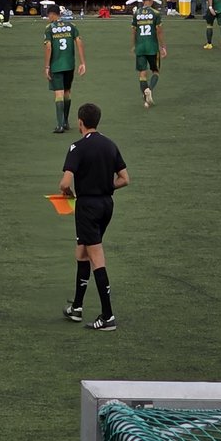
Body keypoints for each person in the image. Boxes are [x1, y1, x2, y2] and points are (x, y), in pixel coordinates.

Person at [59, 102, 129, 331]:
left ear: (80, 122)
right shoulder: (110, 145)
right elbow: (124, 179)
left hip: (87, 207)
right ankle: (77, 307)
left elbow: (65, 182)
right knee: (82, 251)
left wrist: (67, 193)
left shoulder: (77, 148)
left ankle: (107, 316)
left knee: (96, 256)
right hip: (106, 204)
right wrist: (104, 186)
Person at [43, 5, 86, 134]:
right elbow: (79, 43)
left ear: (52, 14)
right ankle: (66, 121)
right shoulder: (72, 26)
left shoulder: (49, 29)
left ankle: (60, 124)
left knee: (58, 94)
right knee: (67, 92)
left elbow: (49, 48)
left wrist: (46, 66)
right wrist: (82, 62)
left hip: (56, 65)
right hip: (69, 65)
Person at [132, 0, 167, 108]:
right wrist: (163, 46)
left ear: (143, 1)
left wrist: (133, 45)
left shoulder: (136, 13)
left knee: (142, 74)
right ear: (151, 1)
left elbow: (134, 30)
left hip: (140, 47)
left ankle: (146, 100)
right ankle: (150, 89)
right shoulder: (155, 13)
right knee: (156, 71)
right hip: (152, 47)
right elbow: (159, 31)